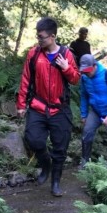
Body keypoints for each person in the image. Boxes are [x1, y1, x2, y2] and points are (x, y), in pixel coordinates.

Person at [16, 17, 80, 197]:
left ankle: (56, 182)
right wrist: (21, 104)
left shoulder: (66, 54)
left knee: (60, 147)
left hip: (60, 109)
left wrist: (67, 68)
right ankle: (45, 164)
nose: (39, 40)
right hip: (38, 106)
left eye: (42, 37)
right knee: (33, 139)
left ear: (52, 37)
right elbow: (25, 79)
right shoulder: (34, 54)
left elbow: (75, 80)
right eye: (38, 37)